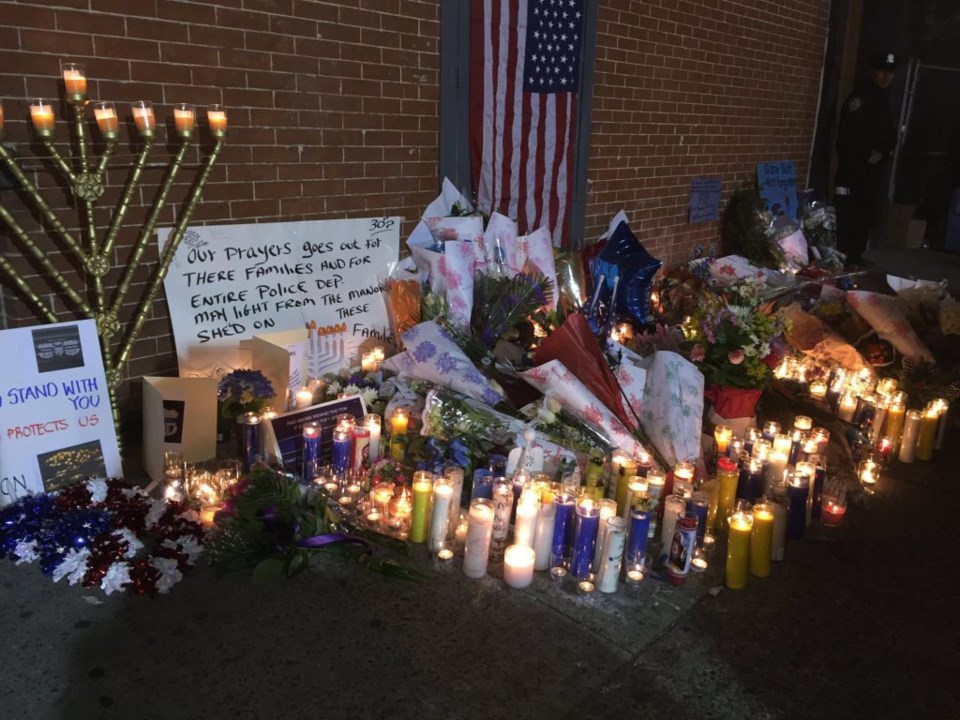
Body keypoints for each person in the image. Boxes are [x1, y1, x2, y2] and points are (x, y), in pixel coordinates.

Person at [834, 51, 899, 267]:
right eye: (882, 71)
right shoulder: (861, 97)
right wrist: (865, 157)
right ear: (873, 72)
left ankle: (854, 254)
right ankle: (842, 254)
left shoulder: (882, 98)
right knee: (848, 211)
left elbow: (887, 135)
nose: (885, 77)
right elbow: (849, 134)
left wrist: (882, 150)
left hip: (871, 172)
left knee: (865, 211)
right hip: (854, 170)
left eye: (889, 72)